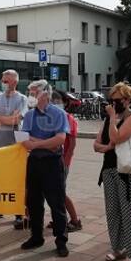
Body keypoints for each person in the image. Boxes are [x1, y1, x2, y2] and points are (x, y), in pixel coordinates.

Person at [94, 82, 131, 261]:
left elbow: (116, 139)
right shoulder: (110, 118)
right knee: (113, 212)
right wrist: (107, 145)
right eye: (110, 100)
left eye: (115, 100)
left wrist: (112, 121)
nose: (111, 104)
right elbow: (96, 145)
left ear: (127, 100)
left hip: (128, 172)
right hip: (109, 169)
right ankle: (119, 248)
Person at [20, 79, 70, 257]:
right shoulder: (29, 115)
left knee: (56, 203)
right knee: (33, 202)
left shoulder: (58, 113)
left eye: (33, 92)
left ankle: (61, 240)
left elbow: (60, 140)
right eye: (30, 92)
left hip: (52, 163)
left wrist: (36, 143)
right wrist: (45, 144)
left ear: (45, 93)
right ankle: (36, 236)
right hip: (34, 163)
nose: (30, 96)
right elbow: (24, 140)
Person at [0, 69, 28, 228]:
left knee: (17, 180)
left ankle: (19, 212)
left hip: (16, 146)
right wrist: (7, 119)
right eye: (2, 81)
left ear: (15, 82)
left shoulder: (23, 99)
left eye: (6, 81)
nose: (3, 84)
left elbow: (17, 120)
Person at [51, 91, 82, 232]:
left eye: (56, 101)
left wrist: (65, 162)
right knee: (52, 191)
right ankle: (58, 218)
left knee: (60, 192)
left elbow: (72, 145)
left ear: (64, 102)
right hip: (52, 160)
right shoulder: (52, 117)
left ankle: (75, 220)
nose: (53, 103)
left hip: (62, 162)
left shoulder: (68, 118)